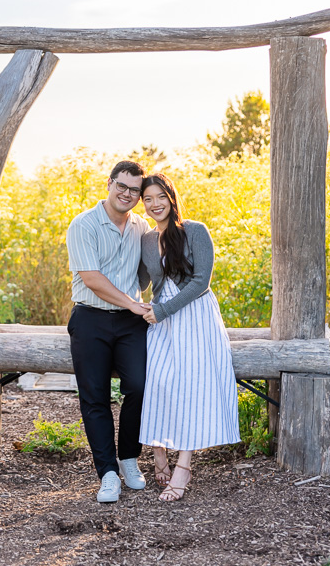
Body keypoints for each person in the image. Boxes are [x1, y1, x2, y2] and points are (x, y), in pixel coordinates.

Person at [138, 172, 240, 502]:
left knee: (190, 388)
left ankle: (183, 466)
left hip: (194, 316)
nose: (155, 204)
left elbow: (201, 283)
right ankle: (158, 451)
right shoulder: (146, 240)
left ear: (171, 197)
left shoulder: (194, 231)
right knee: (158, 381)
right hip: (162, 318)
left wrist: (164, 311)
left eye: (160, 197)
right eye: (148, 199)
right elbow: (141, 282)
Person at [66, 160, 151, 503]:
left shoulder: (141, 227)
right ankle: (108, 472)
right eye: (122, 186)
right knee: (94, 396)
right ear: (110, 183)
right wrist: (132, 302)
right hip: (90, 318)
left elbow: (148, 272)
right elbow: (92, 279)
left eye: (135, 190)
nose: (127, 194)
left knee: (141, 385)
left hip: (131, 323)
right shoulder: (84, 224)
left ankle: (129, 458)